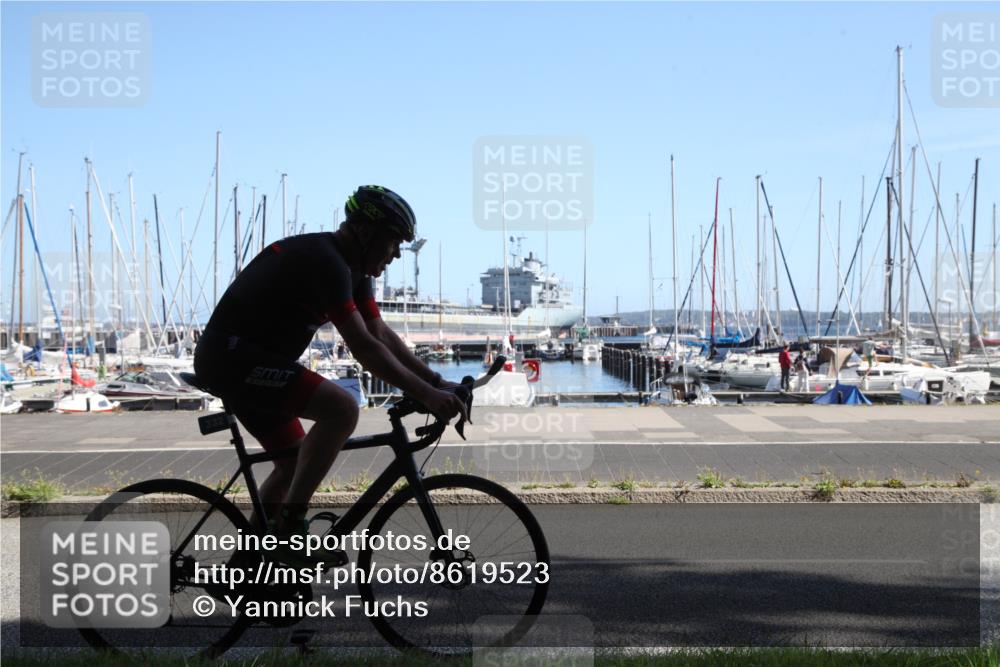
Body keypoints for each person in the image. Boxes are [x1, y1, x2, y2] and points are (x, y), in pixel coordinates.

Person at [194, 185, 467, 566]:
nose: (395, 255)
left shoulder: (355, 270)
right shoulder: (327, 261)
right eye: (393, 243)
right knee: (341, 409)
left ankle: (247, 568)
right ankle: (290, 525)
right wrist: (425, 394)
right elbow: (364, 348)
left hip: (255, 362)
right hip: (232, 358)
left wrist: (436, 383)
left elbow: (380, 333)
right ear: (368, 234)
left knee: (293, 464)